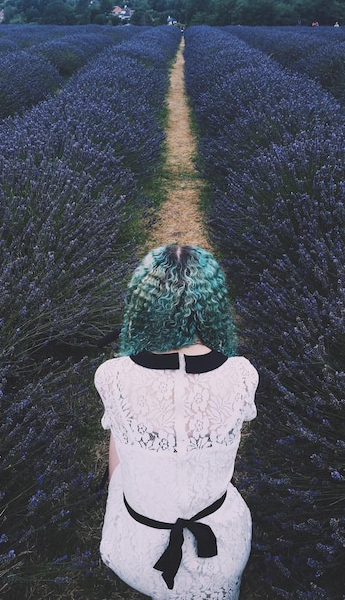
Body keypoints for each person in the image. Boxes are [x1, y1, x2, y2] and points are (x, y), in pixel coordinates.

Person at [94, 245, 259, 600]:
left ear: (143, 304)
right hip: (219, 545)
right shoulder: (242, 374)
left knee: (120, 438)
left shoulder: (113, 376)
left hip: (138, 547)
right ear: (213, 306)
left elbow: (118, 453)